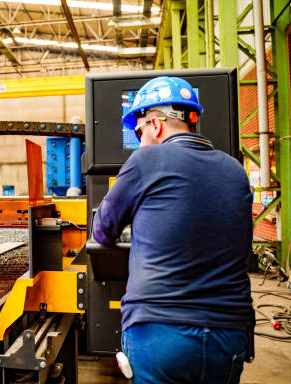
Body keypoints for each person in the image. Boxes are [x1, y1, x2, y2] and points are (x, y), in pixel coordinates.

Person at [92, 76, 255, 384]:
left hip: (162, 333)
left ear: (155, 124)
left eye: (139, 131)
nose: (138, 139)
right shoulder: (235, 168)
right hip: (230, 333)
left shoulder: (145, 159)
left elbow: (103, 230)